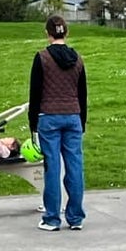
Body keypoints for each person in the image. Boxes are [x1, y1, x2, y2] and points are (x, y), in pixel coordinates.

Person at [27, 14, 88, 231]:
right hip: (73, 116)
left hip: (48, 117)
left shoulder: (42, 58)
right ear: (67, 33)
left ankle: (52, 218)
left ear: (47, 33)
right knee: (75, 166)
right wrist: (82, 121)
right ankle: (76, 217)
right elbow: (83, 94)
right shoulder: (78, 59)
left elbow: (35, 93)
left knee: (52, 167)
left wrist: (32, 122)